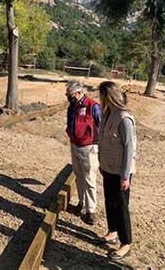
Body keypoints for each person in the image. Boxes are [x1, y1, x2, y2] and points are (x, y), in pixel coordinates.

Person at [97, 81, 136, 260]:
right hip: (108, 167)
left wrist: (125, 176)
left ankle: (125, 243)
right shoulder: (107, 114)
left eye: (102, 95)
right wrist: (101, 163)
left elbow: (129, 148)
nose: (100, 98)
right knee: (110, 202)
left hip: (120, 172)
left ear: (108, 96)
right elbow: (104, 141)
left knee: (121, 207)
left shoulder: (124, 118)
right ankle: (112, 231)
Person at [65, 81, 102, 225]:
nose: (68, 97)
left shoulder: (93, 107)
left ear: (79, 93)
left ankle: (91, 211)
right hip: (74, 145)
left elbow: (101, 125)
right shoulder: (72, 106)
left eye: (70, 95)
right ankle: (81, 203)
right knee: (79, 175)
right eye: (67, 95)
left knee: (89, 178)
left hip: (89, 148)